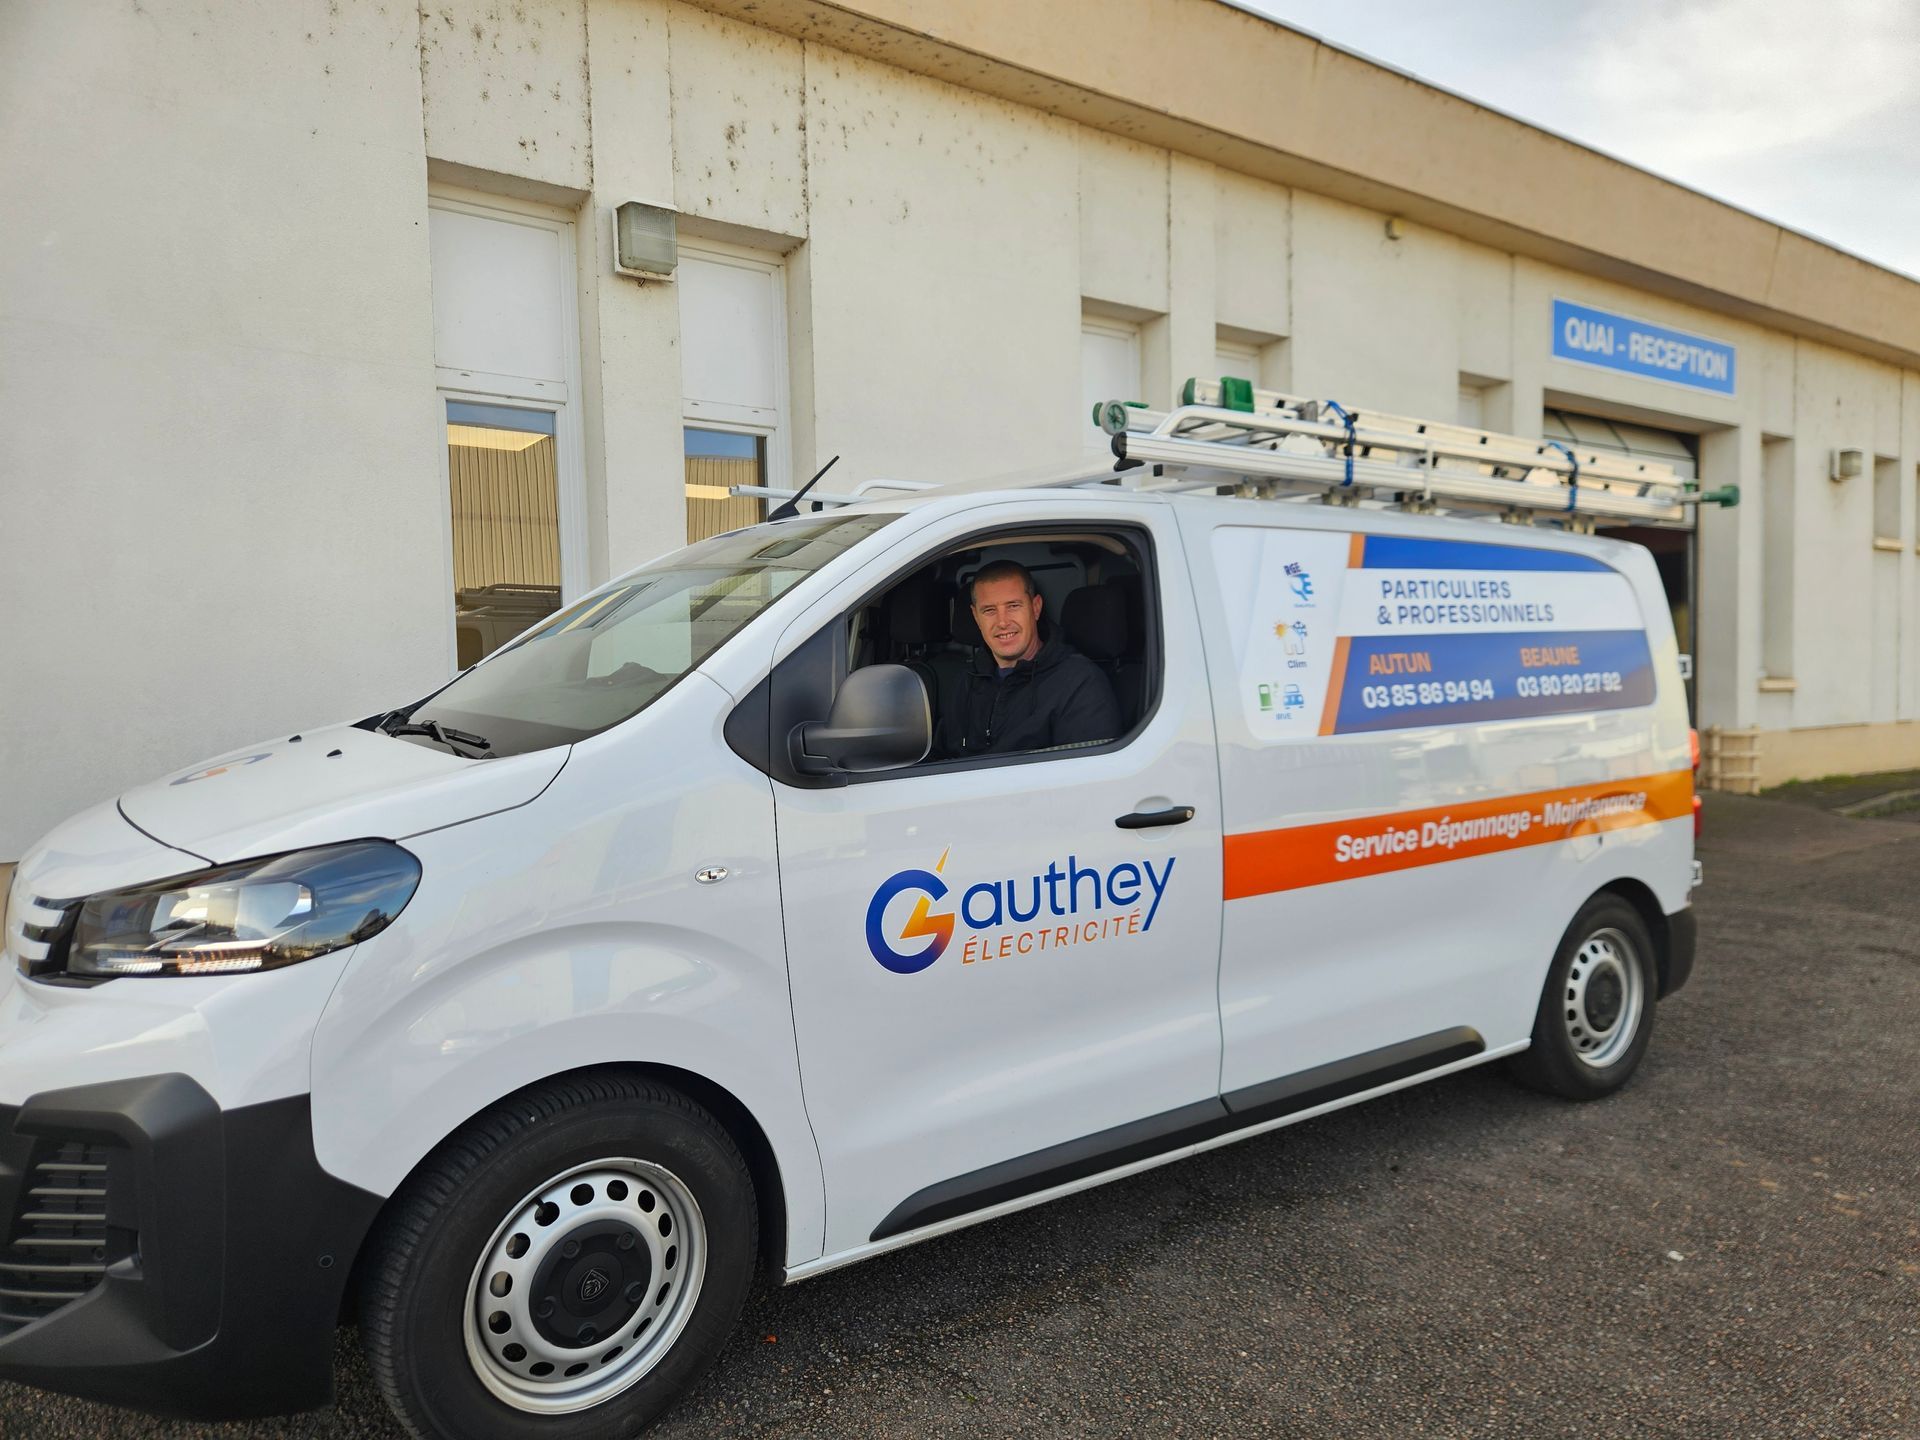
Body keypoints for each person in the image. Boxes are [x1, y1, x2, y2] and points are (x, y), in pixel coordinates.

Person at [935, 560, 1122, 758]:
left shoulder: (1079, 683)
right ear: (975, 616)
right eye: (989, 610)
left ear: (1035, 608)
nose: (1002, 622)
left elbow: (1086, 779)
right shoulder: (967, 681)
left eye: (1013, 606)